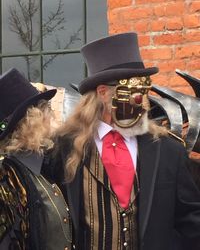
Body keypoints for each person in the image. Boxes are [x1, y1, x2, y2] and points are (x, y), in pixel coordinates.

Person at [52, 33, 200, 250]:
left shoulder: (168, 151)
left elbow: (191, 222)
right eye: (134, 93)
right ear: (103, 93)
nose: (142, 103)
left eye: (144, 92)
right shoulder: (62, 149)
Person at [0, 68, 72, 250]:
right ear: (32, 120)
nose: (52, 113)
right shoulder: (7, 179)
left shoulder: (41, 168)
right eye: (46, 108)